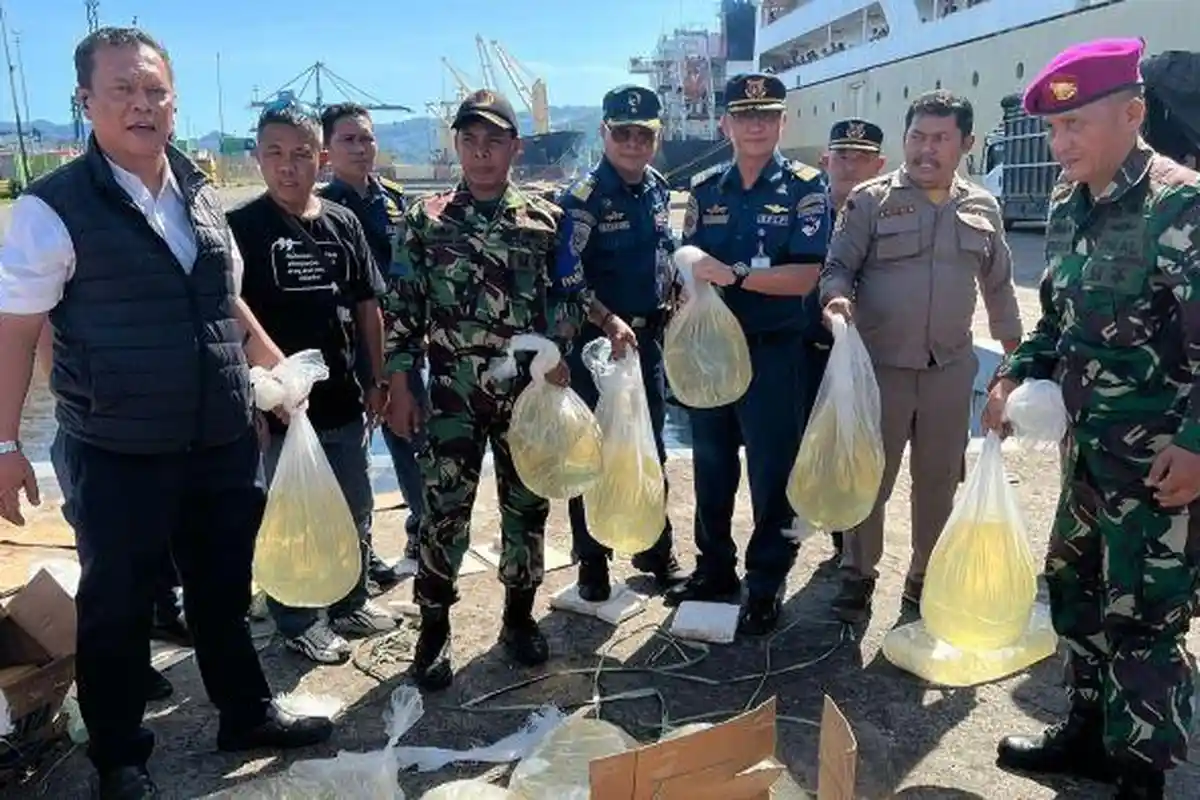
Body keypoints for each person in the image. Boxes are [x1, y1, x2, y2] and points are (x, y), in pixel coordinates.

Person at [0, 27, 330, 798]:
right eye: (122, 90)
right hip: (117, 444)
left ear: (174, 104)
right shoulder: (52, 209)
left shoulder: (201, 191)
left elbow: (224, 299)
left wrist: (277, 368)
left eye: (155, 91)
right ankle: (120, 755)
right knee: (116, 602)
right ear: (86, 101)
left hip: (218, 434)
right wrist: (4, 442)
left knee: (223, 584)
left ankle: (244, 711)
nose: (142, 105)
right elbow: (15, 331)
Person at [983, 38, 1200, 799]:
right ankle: (1087, 735)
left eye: (1076, 124)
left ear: (1133, 114)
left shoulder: (1182, 205)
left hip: (1160, 465)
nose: (1059, 143)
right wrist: (1013, 373)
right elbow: (1058, 325)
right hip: (1086, 457)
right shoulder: (1065, 207)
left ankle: (1142, 774)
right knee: (1075, 592)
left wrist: (1198, 448)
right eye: (1052, 128)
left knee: (1144, 615)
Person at [383, 89, 589, 690]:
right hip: (450, 394)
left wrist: (559, 349)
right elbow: (403, 308)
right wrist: (401, 382)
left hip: (525, 398)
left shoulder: (545, 220)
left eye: (493, 140)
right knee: (443, 513)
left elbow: (570, 295)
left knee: (526, 510)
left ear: (514, 148)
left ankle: (518, 619)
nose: (481, 152)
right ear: (457, 146)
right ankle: (434, 628)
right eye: (470, 140)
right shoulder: (425, 220)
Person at [820, 90, 1023, 625]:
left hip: (949, 372)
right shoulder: (869, 200)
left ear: (967, 144)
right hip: (879, 369)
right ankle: (858, 575)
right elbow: (837, 267)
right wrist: (836, 299)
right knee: (870, 478)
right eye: (917, 137)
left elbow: (1000, 289)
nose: (925, 149)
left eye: (939, 139)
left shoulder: (983, 207)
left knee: (938, 480)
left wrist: (1013, 360)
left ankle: (924, 578)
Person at [227, 103, 397, 665]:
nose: (288, 167)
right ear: (258, 158)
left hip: (341, 398)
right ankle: (298, 619)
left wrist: (377, 377)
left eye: (301, 154)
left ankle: (349, 599)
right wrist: (253, 399)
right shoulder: (242, 230)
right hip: (277, 407)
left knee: (355, 504)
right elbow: (229, 317)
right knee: (291, 517)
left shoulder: (342, 222)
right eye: (274, 153)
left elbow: (368, 305)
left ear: (320, 158)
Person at [663, 73, 830, 636]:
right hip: (710, 352)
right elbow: (687, 262)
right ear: (725, 124)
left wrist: (733, 274)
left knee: (770, 472)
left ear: (782, 123)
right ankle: (714, 569)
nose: (756, 125)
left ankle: (765, 582)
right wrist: (685, 273)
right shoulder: (706, 188)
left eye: (767, 115)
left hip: (773, 353)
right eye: (744, 115)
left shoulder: (807, 188)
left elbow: (805, 276)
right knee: (711, 466)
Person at [555, 84, 687, 602]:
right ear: (604, 133)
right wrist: (607, 320)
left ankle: (654, 549)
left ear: (656, 137)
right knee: (593, 454)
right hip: (596, 347)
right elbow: (566, 275)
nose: (633, 143)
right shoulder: (584, 199)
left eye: (644, 134)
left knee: (648, 449)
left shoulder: (656, 187)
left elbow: (663, 253)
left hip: (646, 344)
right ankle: (592, 562)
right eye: (623, 133)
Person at [34, 327, 179, 703]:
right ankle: (122, 678)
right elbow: (44, 345)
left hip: (150, 430)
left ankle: (161, 617)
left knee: (151, 549)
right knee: (111, 568)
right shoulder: (55, 276)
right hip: (92, 432)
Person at [318, 102, 424, 585]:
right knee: (351, 457)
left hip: (402, 345)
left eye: (366, 138)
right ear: (327, 151)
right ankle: (359, 555)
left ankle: (422, 531)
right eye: (348, 140)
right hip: (345, 352)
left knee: (411, 439)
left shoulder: (398, 202)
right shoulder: (320, 211)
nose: (361, 149)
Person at [813, 118, 887, 569]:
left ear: (880, 164)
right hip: (808, 350)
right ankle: (817, 532)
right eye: (843, 155)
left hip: (866, 353)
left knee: (857, 448)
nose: (851, 166)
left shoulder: (891, 213)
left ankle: (850, 547)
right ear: (826, 160)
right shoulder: (806, 210)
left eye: (862, 158)